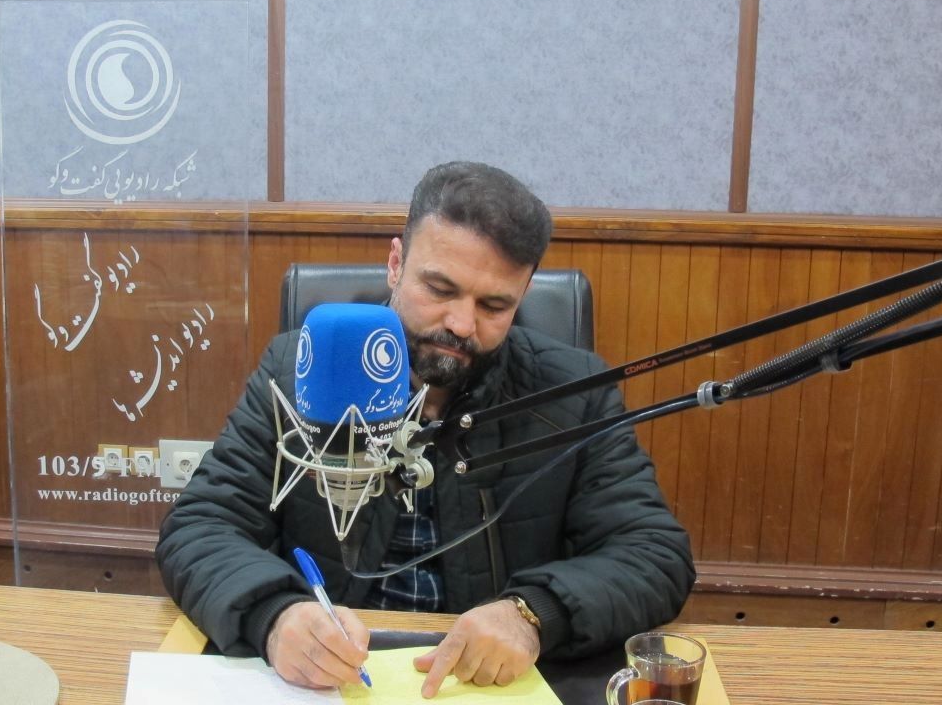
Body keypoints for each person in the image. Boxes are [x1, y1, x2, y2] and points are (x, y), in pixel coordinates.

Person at [156, 161, 695, 698]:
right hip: (329, 679)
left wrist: (532, 614)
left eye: (494, 305)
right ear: (396, 264)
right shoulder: (298, 370)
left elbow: (655, 554)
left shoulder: (574, 392)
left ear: (523, 294)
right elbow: (200, 525)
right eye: (439, 288)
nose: (461, 324)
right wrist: (274, 615)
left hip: (482, 684)